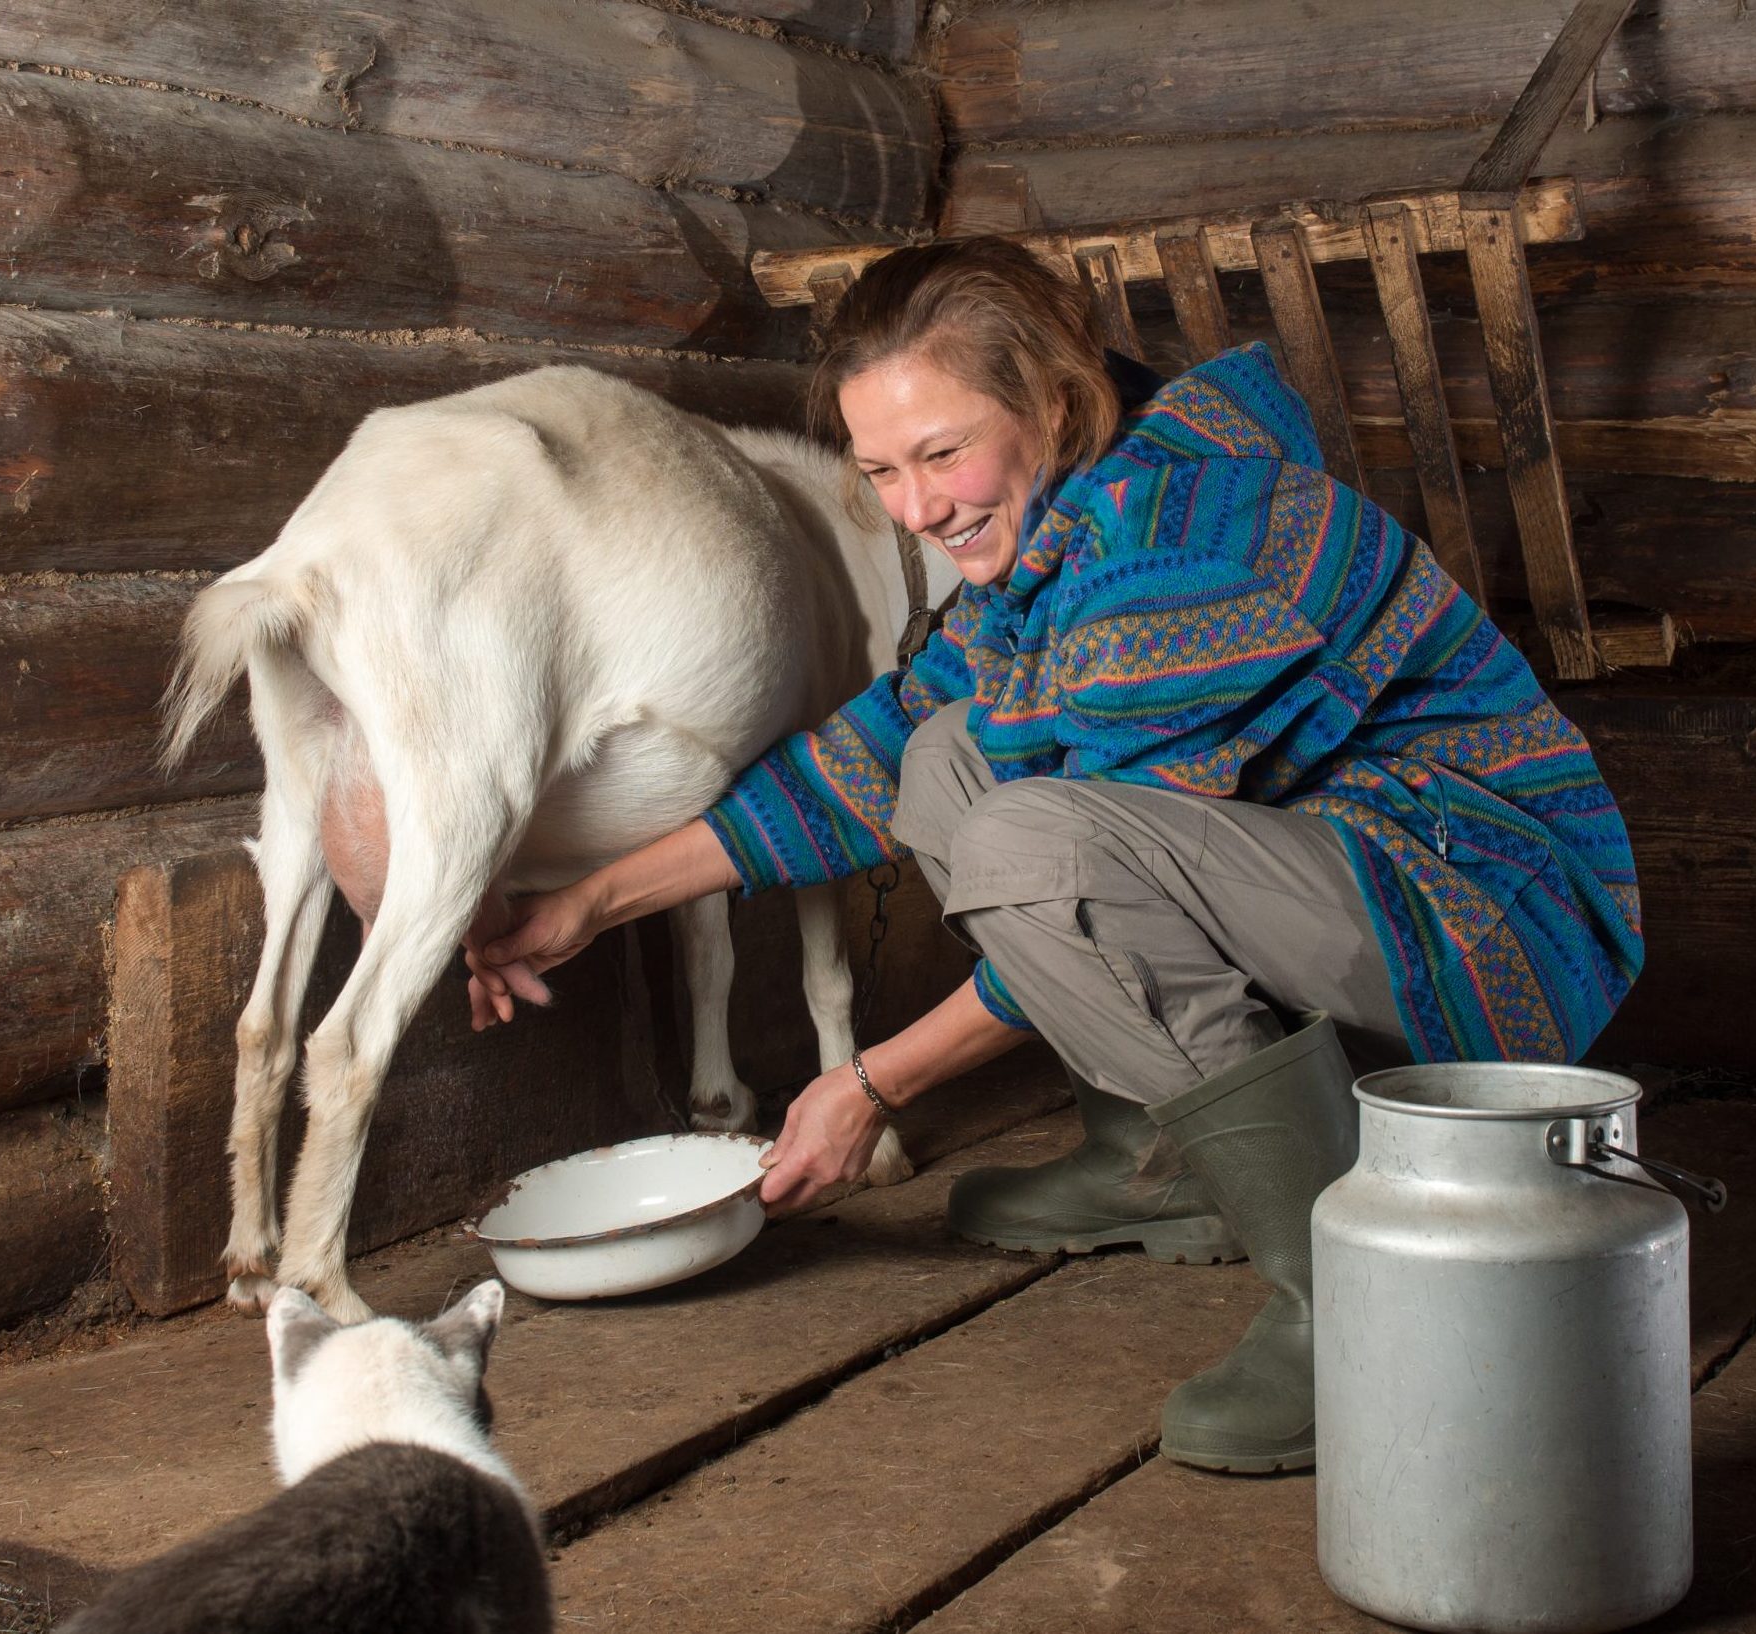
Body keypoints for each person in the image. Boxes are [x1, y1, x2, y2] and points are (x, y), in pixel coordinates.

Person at [463, 238, 1643, 1475]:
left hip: (1488, 919)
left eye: (942, 453)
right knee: (946, 758)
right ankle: (1161, 1158)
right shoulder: (1067, 518)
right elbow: (868, 758)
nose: (915, 509)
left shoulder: (1179, 543)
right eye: (878, 469)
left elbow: (1076, 886)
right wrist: (589, 901)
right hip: (1344, 875)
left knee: (1038, 832)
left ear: (1056, 404)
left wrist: (869, 1084)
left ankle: (1366, 1298)